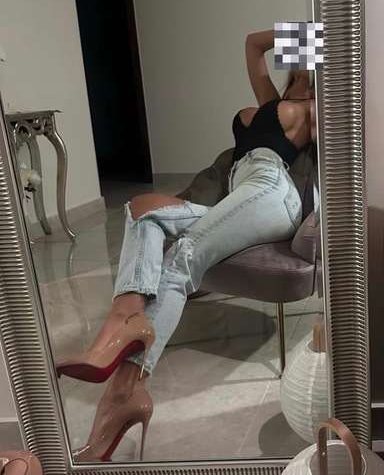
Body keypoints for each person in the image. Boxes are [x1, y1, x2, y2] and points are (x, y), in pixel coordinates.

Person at [55, 28, 316, 461]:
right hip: (240, 194)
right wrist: (303, 34)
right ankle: (123, 324)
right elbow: (253, 43)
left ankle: (125, 389)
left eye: (310, 49)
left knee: (182, 258)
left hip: (273, 192)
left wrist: (323, 38)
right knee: (142, 210)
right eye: (301, 48)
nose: (303, 54)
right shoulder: (272, 98)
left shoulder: (316, 107)